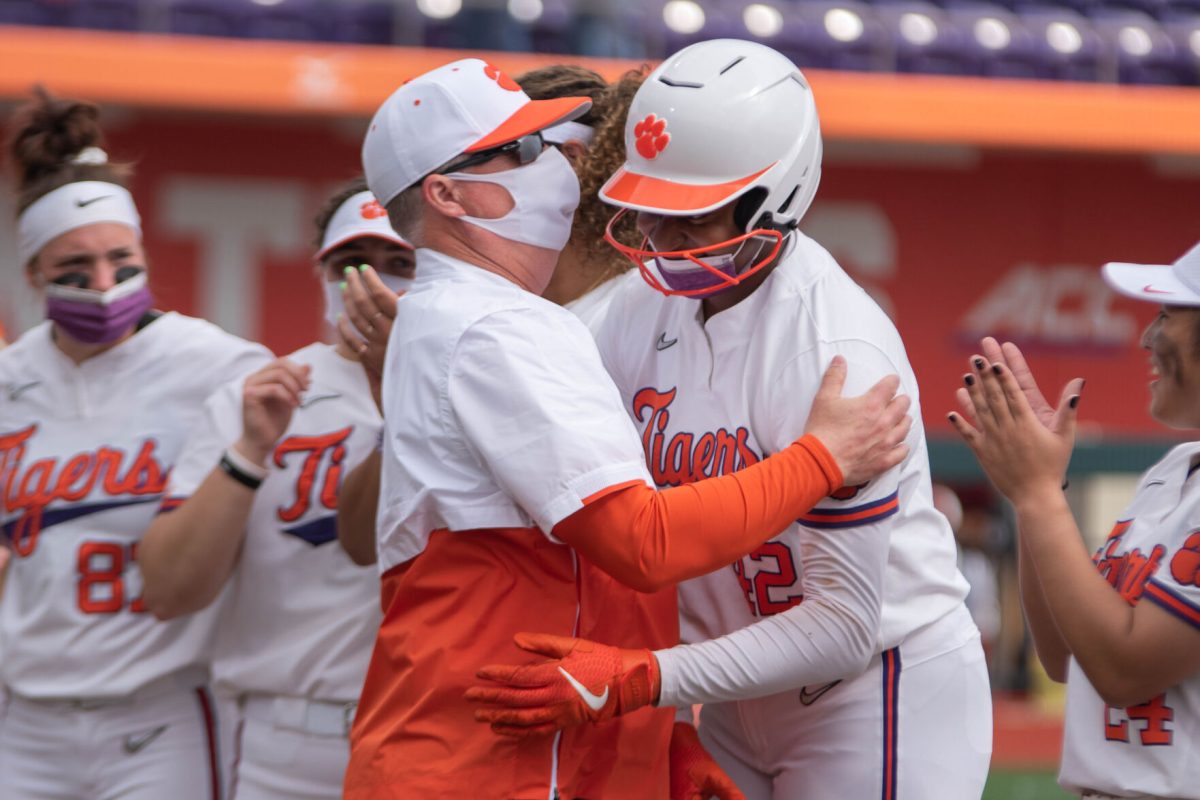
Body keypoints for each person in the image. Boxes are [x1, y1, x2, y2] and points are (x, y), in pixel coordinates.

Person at [342, 57, 912, 799]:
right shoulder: (491, 326)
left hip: (506, 748)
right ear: (447, 193)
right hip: (483, 763)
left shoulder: (476, 316)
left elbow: (590, 581)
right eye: (521, 150)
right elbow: (645, 544)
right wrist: (823, 458)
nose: (555, 162)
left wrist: (661, 737)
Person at [467, 39, 992, 800]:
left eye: (691, 213)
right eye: (649, 207)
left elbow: (842, 624)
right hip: (725, 690)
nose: (661, 237)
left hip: (872, 685)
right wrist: (674, 715)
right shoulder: (634, 311)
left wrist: (649, 681)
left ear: (776, 196)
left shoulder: (836, 348)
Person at [0, 89, 270, 800]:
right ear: (31, 275)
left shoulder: (218, 365)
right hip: (22, 717)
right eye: (73, 270)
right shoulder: (9, 379)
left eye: (121, 260)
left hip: (163, 712)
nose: (103, 285)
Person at [136, 179, 413, 799]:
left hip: (420, 731)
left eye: (403, 263)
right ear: (322, 273)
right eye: (354, 264)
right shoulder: (261, 396)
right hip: (279, 738)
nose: (376, 282)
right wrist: (250, 452)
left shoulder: (467, 387)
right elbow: (168, 589)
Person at [333, 64, 646, 567]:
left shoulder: (646, 306)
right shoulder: (473, 318)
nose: (550, 165)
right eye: (525, 149)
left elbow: (644, 539)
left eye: (543, 146)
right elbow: (360, 543)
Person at [950, 241, 1200, 800]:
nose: (1146, 337)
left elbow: (1123, 671)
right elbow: (1067, 656)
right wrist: (1038, 492)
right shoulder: (1176, 470)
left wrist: (1038, 493)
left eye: (1167, 316)